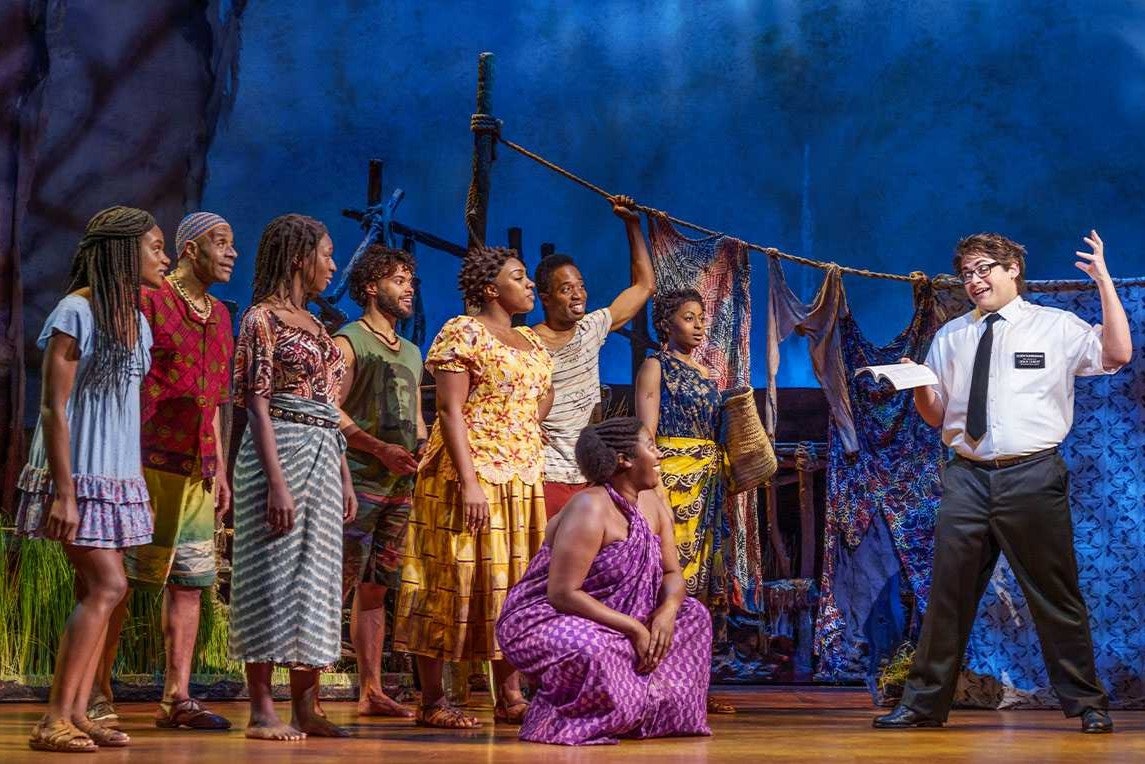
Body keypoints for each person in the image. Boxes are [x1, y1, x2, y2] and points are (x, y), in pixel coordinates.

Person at [874, 231, 1132, 734]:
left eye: (983, 269)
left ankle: (1088, 704)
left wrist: (1103, 280)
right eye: (966, 273)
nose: (973, 280)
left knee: (1054, 595)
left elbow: (1117, 355)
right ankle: (923, 705)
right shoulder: (952, 335)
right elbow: (937, 415)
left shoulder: (1054, 326)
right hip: (967, 477)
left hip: (1031, 475)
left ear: (1013, 268)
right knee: (948, 595)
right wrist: (919, 385)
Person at [16, 206, 169, 752]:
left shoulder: (137, 321)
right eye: (156, 247)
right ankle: (53, 717)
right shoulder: (75, 311)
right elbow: (53, 407)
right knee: (109, 585)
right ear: (123, 252)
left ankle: (78, 713)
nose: (165, 258)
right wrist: (65, 492)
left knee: (95, 588)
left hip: (113, 473)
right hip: (77, 472)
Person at [393, 246, 553, 729]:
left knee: (513, 586)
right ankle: (433, 700)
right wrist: (469, 482)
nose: (529, 284)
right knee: (449, 579)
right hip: (468, 475)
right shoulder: (463, 331)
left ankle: (510, 695)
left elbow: (543, 391)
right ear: (490, 289)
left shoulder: (531, 339)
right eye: (518, 277)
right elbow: (449, 410)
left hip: (521, 478)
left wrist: (522, 424)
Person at [90, 212, 237, 732]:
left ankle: (177, 697)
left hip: (197, 471)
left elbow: (216, 399)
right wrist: (123, 462)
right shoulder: (149, 302)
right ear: (191, 249)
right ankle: (96, 690)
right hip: (145, 463)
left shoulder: (222, 315)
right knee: (121, 583)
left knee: (190, 584)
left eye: (233, 244)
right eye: (221, 242)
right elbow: (124, 383)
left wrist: (219, 467)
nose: (231, 253)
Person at [497, 417, 713, 745]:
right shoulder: (590, 507)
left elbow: (672, 574)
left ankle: (645, 711)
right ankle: (571, 716)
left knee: (694, 616)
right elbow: (562, 594)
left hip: (616, 618)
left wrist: (667, 611)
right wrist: (635, 628)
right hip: (548, 617)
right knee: (593, 648)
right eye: (650, 447)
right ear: (624, 459)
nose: (659, 454)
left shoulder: (653, 505)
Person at [229, 213, 357, 741]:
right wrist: (276, 481)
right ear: (300, 257)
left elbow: (328, 407)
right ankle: (262, 709)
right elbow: (256, 405)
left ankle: (308, 706)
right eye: (326, 254)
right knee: (269, 572)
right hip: (278, 447)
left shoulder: (318, 326)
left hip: (323, 452)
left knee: (318, 579)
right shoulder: (262, 319)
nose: (333, 264)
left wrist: (345, 475)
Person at [333, 244, 425, 718]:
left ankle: (371, 690)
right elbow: (331, 407)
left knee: (377, 587)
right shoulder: (350, 341)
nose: (408, 289)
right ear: (372, 287)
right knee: (338, 581)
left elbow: (416, 414)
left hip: (398, 487)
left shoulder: (411, 350)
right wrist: (377, 449)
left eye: (410, 281)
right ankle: (308, 690)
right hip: (357, 481)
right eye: (398, 280)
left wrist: (421, 446)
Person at [635, 287, 735, 715]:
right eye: (688, 318)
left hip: (708, 483)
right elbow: (646, 433)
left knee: (705, 585)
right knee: (670, 579)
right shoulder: (655, 366)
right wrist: (655, 485)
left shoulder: (707, 373)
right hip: (674, 484)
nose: (698, 326)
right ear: (666, 323)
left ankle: (694, 684)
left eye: (701, 318)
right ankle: (657, 681)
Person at [533, 194, 655, 517]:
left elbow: (644, 286)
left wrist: (632, 225)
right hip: (546, 473)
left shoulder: (592, 328)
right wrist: (524, 422)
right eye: (566, 289)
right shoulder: (528, 343)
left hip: (588, 473)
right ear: (545, 298)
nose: (578, 294)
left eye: (581, 286)